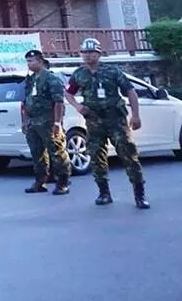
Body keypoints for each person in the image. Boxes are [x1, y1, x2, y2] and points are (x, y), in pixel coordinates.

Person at [64, 38, 149, 209]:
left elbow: (130, 91)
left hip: (116, 119)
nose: (87, 55)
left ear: (98, 54)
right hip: (94, 121)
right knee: (96, 156)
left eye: (91, 52)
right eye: (84, 52)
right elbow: (68, 93)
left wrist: (136, 115)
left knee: (128, 155)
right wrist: (77, 106)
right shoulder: (79, 74)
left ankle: (139, 195)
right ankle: (104, 193)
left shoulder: (112, 71)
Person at [21, 50, 71, 195]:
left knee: (57, 152)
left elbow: (58, 102)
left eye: (31, 61)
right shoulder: (31, 80)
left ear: (40, 61)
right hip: (33, 121)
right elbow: (26, 102)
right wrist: (25, 121)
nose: (29, 64)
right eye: (27, 61)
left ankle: (62, 183)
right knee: (37, 153)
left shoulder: (50, 79)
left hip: (48, 121)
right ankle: (40, 182)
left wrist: (57, 122)